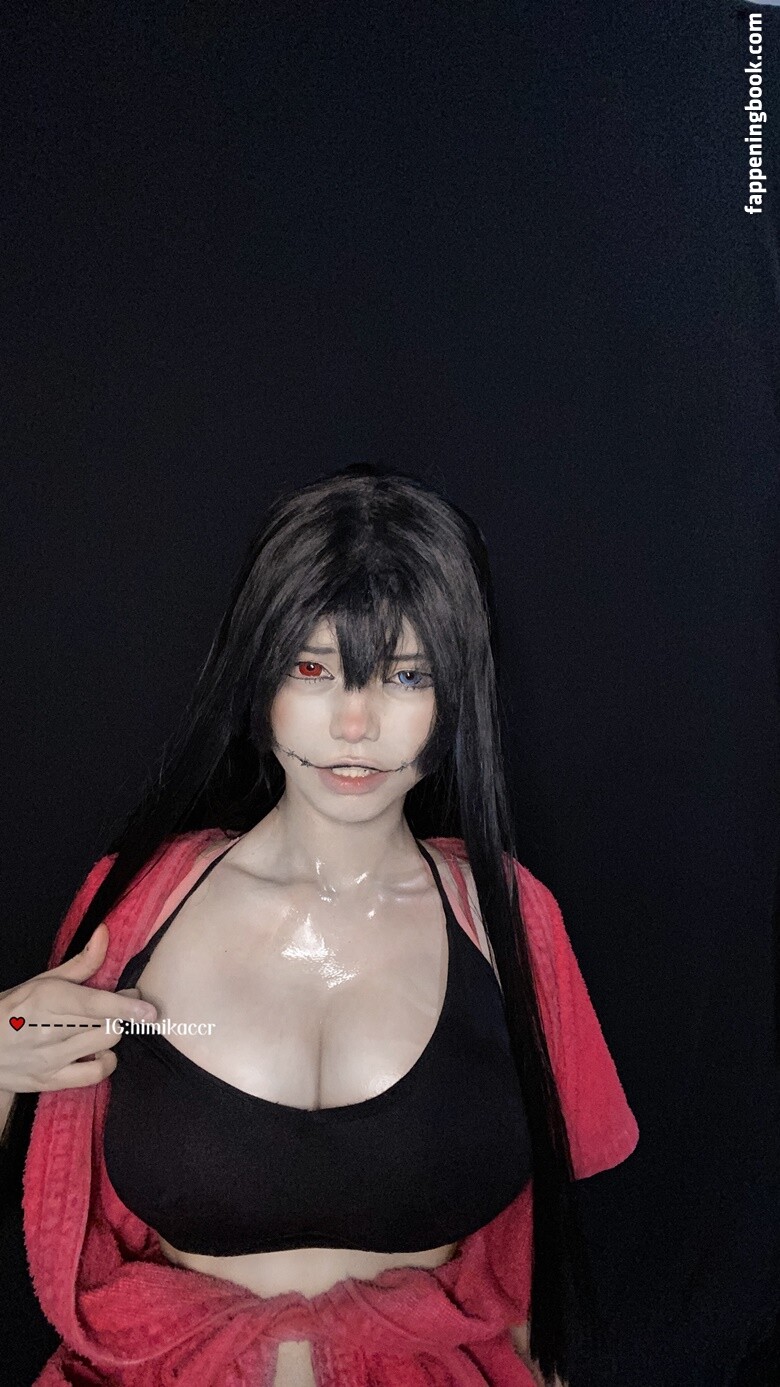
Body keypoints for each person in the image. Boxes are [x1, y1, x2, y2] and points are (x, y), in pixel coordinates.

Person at [3, 464, 639, 1386]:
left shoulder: (510, 923)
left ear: (455, 693)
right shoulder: (131, 905)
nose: (354, 722)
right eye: (312, 668)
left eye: (407, 675)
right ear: (257, 674)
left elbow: (534, 1234)